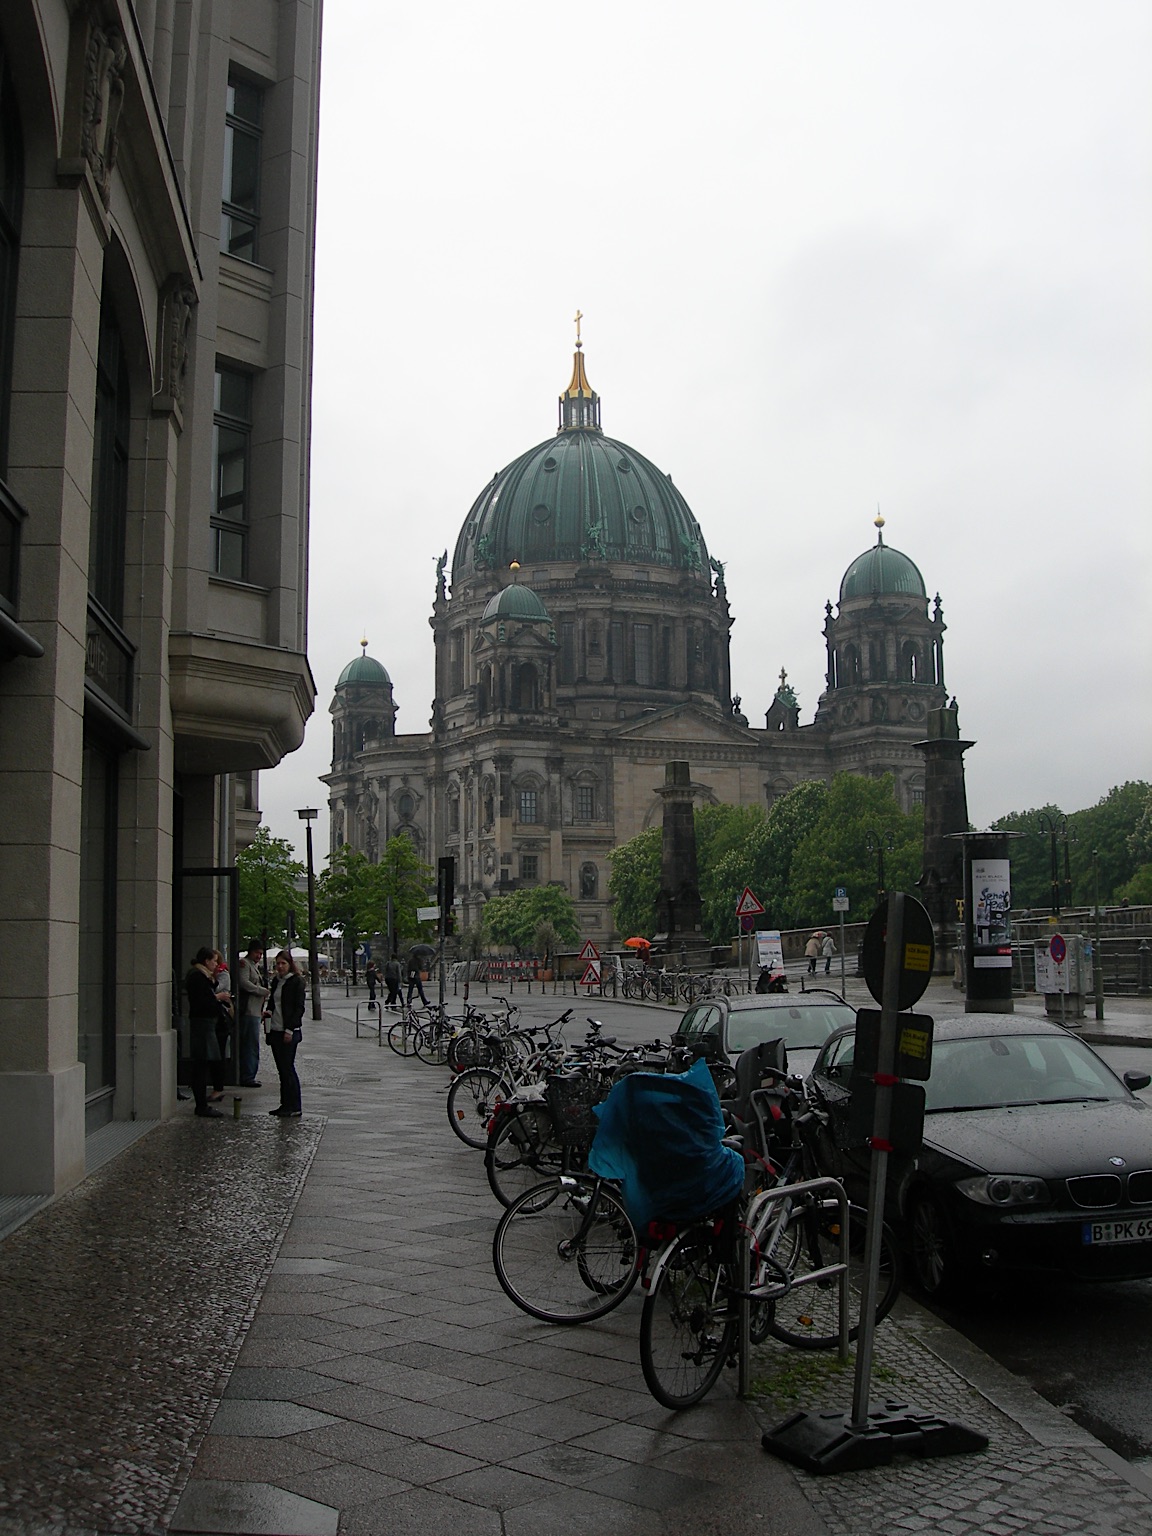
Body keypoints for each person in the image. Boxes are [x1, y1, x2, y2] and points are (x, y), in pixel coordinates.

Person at [184, 948, 226, 1118]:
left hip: (204, 1023)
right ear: (206, 961)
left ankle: (202, 1103)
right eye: (214, 961)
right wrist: (218, 997)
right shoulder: (197, 976)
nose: (216, 964)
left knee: (203, 1063)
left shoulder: (202, 975)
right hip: (202, 1023)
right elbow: (203, 1000)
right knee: (201, 1064)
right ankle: (201, 1105)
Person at [265, 949, 306, 1118]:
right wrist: (268, 1012)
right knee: (281, 1069)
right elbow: (273, 1002)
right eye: (278, 964)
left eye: (283, 963)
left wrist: (290, 1029)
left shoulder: (296, 982)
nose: (280, 967)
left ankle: (294, 1105)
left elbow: (299, 1008)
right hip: (275, 1029)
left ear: (290, 964)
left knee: (288, 1067)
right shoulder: (277, 981)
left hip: (289, 1030)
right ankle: (285, 1104)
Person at [236, 941, 268, 1087]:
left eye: (261, 953)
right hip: (249, 1010)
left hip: (255, 1010)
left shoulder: (254, 966)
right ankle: (248, 1076)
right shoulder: (244, 964)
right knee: (250, 1044)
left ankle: (250, 1074)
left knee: (252, 1044)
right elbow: (244, 983)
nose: (259, 956)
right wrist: (261, 991)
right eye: (257, 953)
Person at [209, 952, 233, 1101]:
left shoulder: (223, 975)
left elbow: (216, 990)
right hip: (212, 1018)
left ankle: (218, 1087)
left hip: (221, 1018)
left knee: (219, 1053)